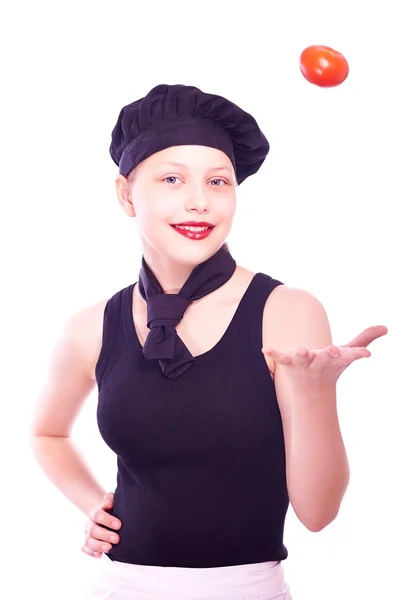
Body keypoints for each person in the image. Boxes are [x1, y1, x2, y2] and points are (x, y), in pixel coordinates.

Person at [30, 83, 387, 600]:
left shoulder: (286, 312)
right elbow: (47, 434)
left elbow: (318, 515)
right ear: (127, 195)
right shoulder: (91, 326)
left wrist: (314, 395)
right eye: (172, 179)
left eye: (218, 181)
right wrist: (93, 505)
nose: (199, 201)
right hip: (119, 587)